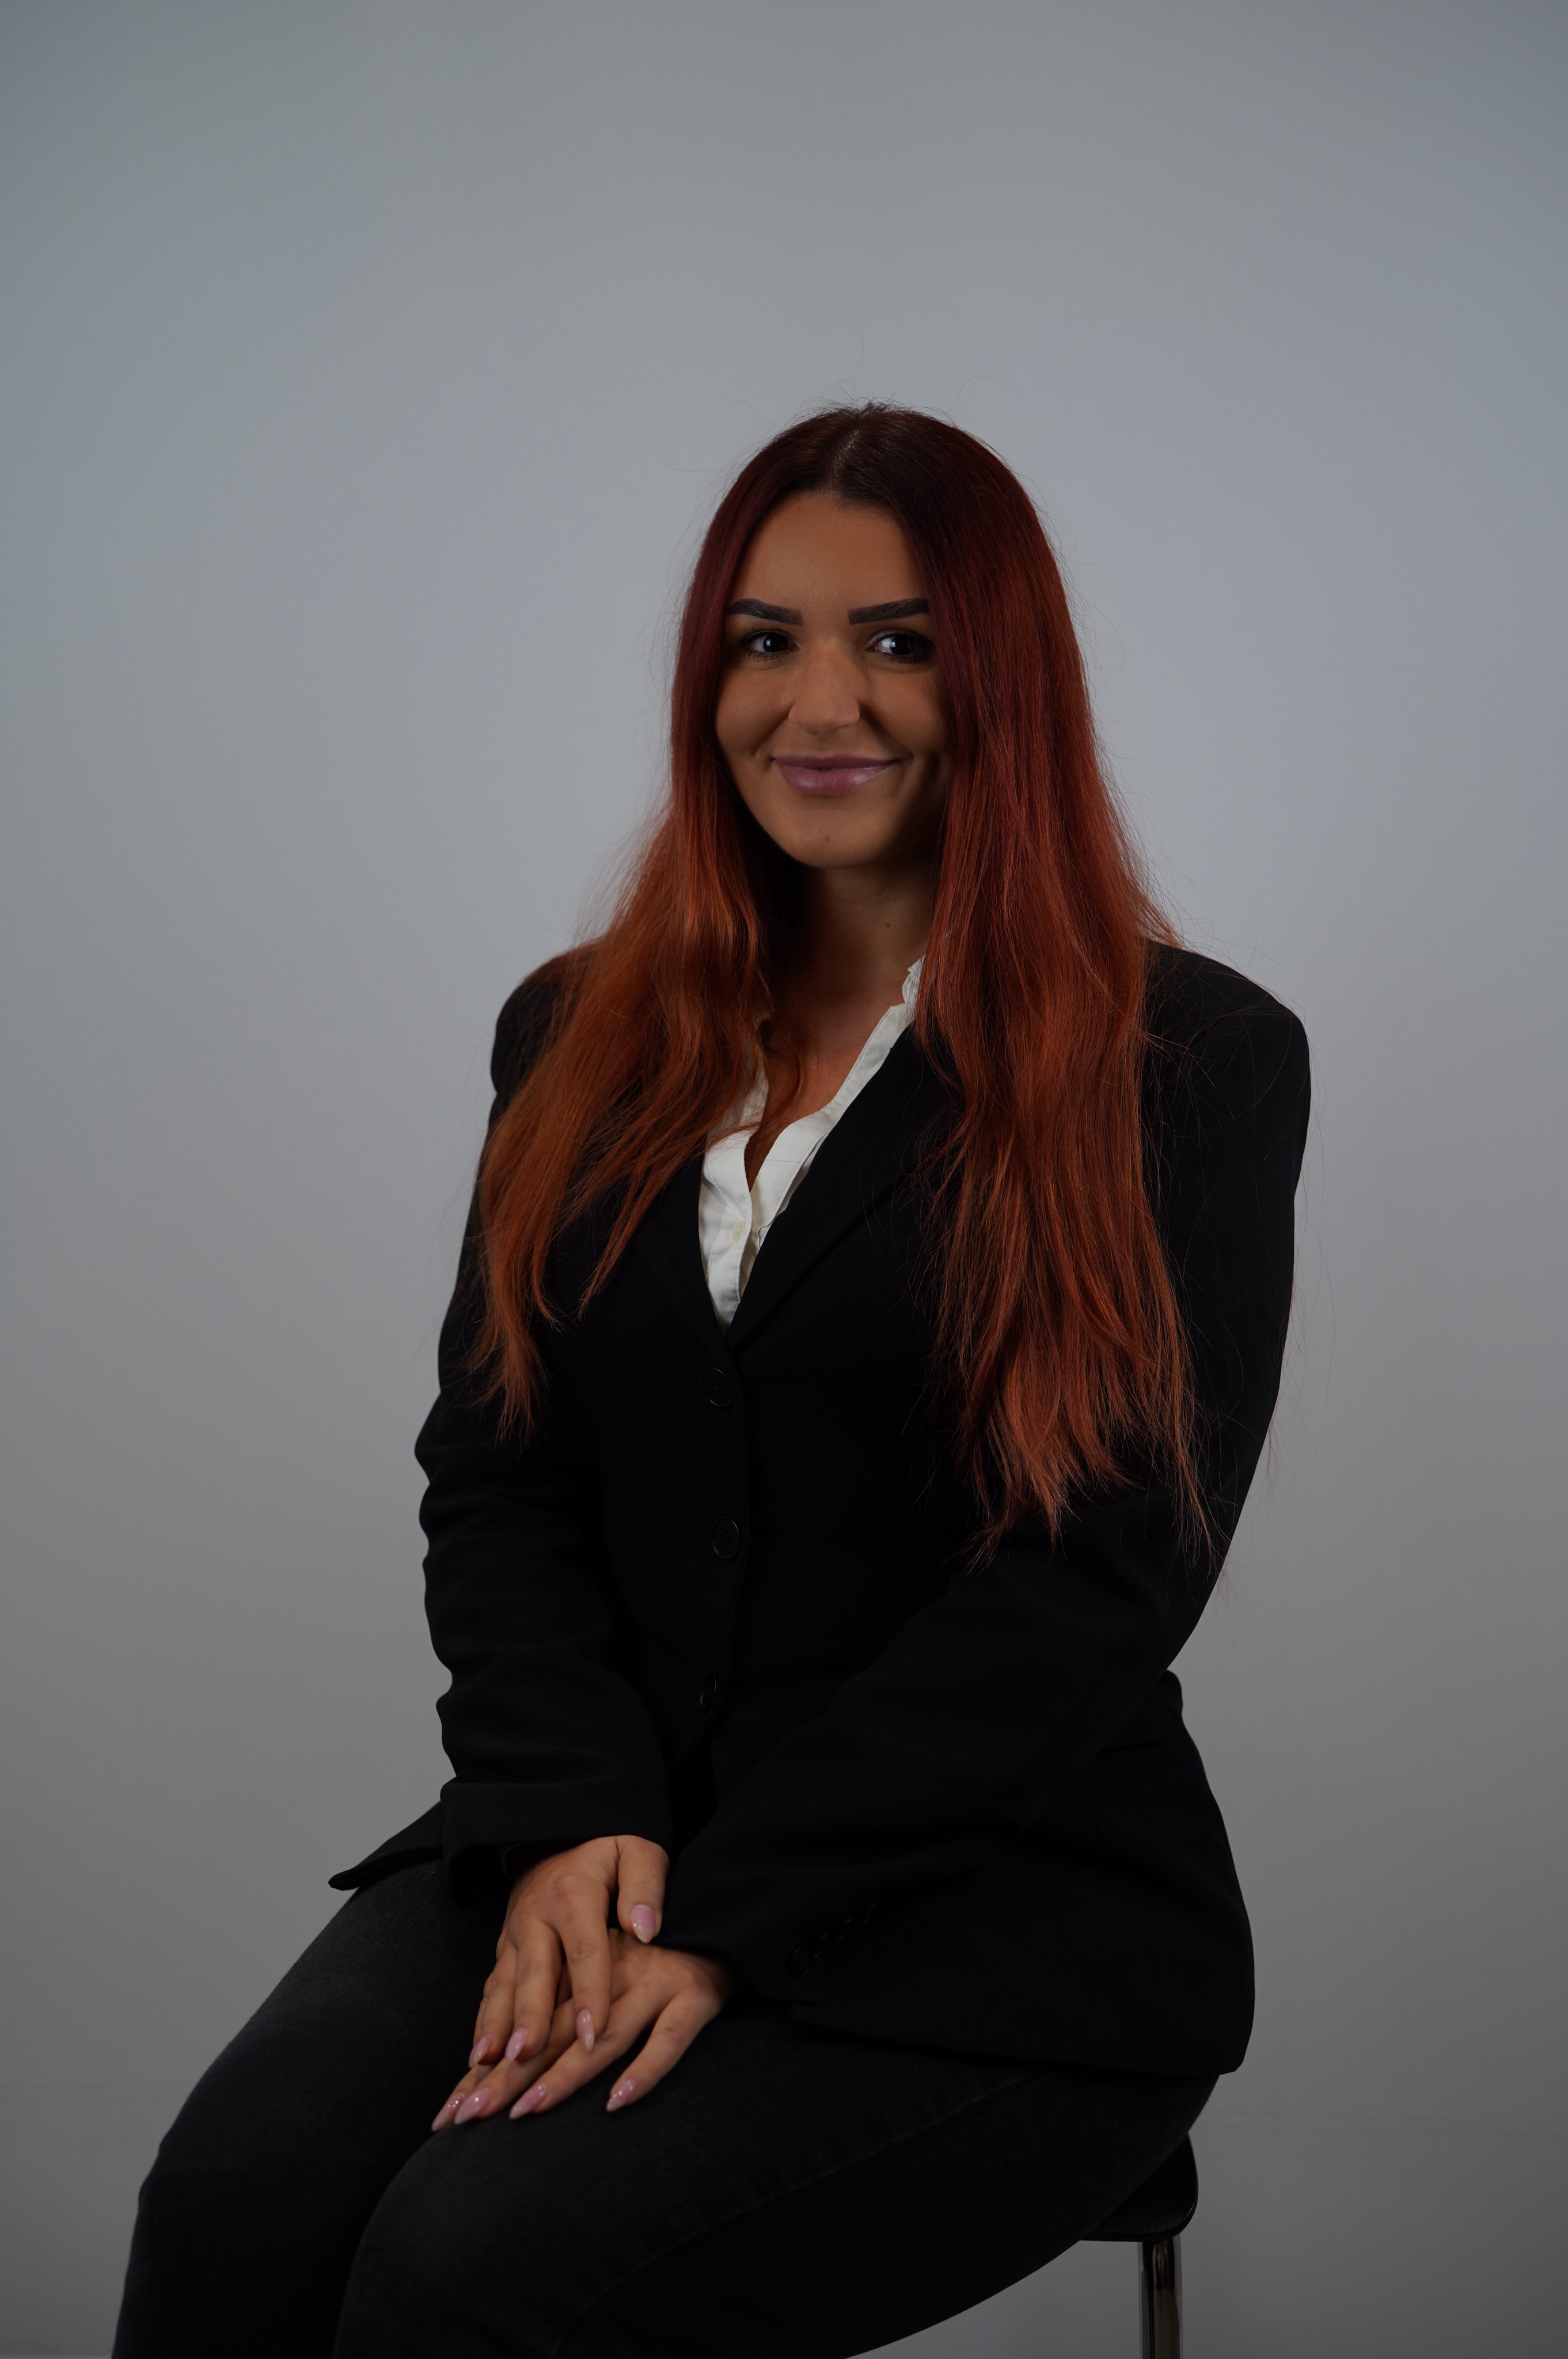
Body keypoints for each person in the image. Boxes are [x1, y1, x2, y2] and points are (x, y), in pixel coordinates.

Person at [113, 405, 1309, 2359]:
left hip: (1000, 1910)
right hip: (592, 1829)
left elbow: (1095, 1582)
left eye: (899, 641)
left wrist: (734, 1915)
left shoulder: (1187, 1064)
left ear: (1002, 679)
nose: (820, 703)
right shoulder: (573, 1029)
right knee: (236, 2204)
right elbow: (500, 1474)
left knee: (469, 2272)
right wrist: (569, 1816)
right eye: (765, 641)